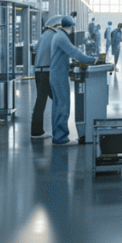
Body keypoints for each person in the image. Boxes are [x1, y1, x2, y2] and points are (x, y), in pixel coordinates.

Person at [49, 15, 96, 146]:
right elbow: (75, 53)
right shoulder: (62, 37)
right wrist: (93, 59)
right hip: (59, 76)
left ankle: (57, 135)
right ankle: (60, 137)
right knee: (63, 105)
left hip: (56, 74)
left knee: (58, 106)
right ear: (70, 27)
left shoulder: (58, 35)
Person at [30, 16, 64, 139]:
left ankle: (37, 131)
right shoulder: (54, 35)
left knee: (42, 101)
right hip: (46, 72)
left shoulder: (45, 35)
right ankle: (59, 133)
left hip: (39, 71)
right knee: (59, 100)